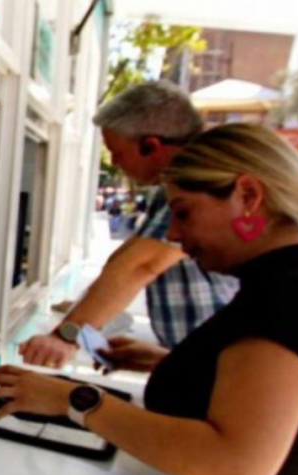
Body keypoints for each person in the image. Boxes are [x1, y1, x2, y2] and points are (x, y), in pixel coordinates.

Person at [0, 124, 298, 475]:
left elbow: (233, 469)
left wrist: (74, 399)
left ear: (248, 196)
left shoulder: (290, 299)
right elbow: (272, 394)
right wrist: (175, 364)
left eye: (183, 213)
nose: (175, 234)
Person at [19, 81, 237, 368]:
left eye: (117, 152)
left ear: (150, 145)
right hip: (197, 362)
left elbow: (141, 265)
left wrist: (66, 336)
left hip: (220, 365)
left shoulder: (197, 181)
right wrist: (81, 312)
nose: (114, 162)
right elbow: (125, 258)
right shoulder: (172, 187)